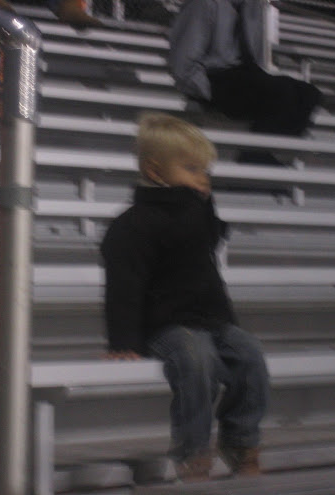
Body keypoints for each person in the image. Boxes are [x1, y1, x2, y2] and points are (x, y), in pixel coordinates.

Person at [101, 112, 270, 481]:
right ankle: (193, 450)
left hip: (212, 320)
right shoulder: (133, 224)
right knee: (197, 360)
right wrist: (123, 340)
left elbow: (213, 236)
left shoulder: (195, 214)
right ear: (156, 171)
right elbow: (123, 286)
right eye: (192, 169)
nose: (203, 179)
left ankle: (240, 438)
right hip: (166, 325)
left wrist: (200, 201)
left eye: (206, 171)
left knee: (251, 354)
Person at [169, 0, 322, 137]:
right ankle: (256, 154)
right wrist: (209, 93)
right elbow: (182, 65)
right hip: (216, 77)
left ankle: (273, 152)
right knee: (281, 92)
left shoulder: (252, 6)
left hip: (245, 75)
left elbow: (255, 56)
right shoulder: (203, 4)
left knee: (310, 94)